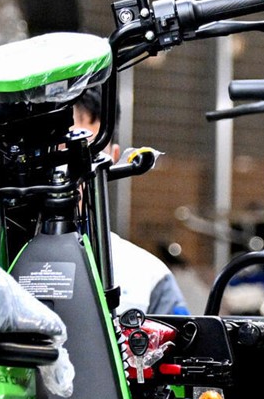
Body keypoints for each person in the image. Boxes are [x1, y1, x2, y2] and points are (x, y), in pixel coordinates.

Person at [71, 87, 191, 317]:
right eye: (61, 150)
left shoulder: (149, 279)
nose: (72, 169)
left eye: (89, 153)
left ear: (113, 159)